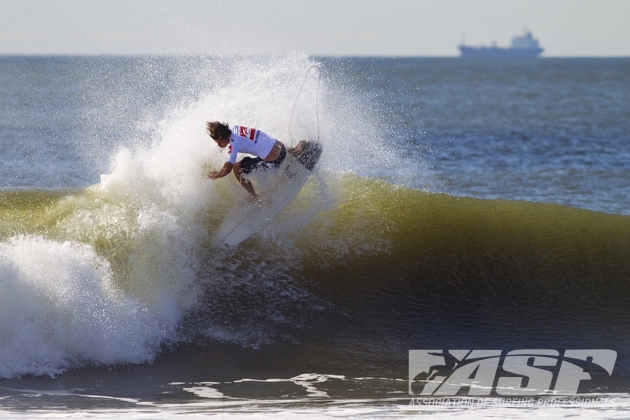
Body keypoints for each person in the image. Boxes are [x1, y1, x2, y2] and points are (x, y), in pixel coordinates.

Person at [206, 121, 287, 200]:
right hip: (282, 149)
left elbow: (227, 169)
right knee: (265, 147)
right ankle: (293, 151)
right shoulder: (235, 128)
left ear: (225, 137)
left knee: (236, 168)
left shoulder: (233, 144)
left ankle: (254, 197)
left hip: (275, 161)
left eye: (219, 143)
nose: (219, 145)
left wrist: (215, 175)